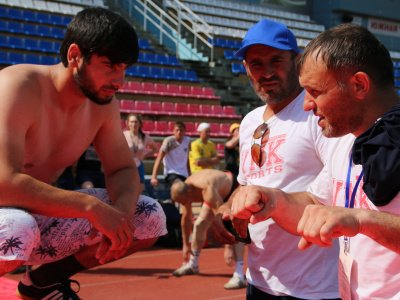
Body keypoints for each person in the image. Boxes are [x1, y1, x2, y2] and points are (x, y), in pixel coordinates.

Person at [0, 7, 166, 299]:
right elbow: (3, 183)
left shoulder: (104, 105)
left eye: (124, 68)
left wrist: (120, 219)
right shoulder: (17, 86)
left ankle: (42, 283)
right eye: (110, 65)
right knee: (16, 230)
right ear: (75, 55)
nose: (119, 80)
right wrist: (93, 208)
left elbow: (123, 170)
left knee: (148, 216)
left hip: (33, 214)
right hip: (11, 219)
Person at [230, 23, 400, 299]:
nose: (307, 105)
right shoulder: (345, 142)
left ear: (358, 85)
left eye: (315, 92)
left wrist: (361, 220)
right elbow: (315, 202)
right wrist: (270, 199)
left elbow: (354, 218)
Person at [218, 19, 341, 299]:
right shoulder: (250, 122)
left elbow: (338, 188)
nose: (267, 72)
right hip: (260, 279)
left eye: (276, 60)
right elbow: (248, 184)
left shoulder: (317, 114)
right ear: (246, 69)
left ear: (296, 62)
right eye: (256, 64)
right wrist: (229, 210)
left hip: (315, 287)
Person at [170, 169, 243, 288]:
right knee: (199, 225)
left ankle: (239, 274)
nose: (184, 204)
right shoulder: (186, 187)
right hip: (217, 193)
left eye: (184, 201)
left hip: (233, 190)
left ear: (189, 192)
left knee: (235, 227)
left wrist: (228, 246)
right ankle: (193, 264)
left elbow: (223, 219)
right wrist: (185, 245)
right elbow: (186, 218)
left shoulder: (207, 190)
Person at [222, 122, 246, 289]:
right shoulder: (230, 145)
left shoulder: (247, 147)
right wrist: (240, 134)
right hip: (232, 188)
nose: (239, 132)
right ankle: (239, 271)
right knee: (233, 223)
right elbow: (229, 144)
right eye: (236, 130)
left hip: (247, 186)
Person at [123, 113, 158, 193]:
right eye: (131, 122)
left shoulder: (144, 137)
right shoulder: (123, 135)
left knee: (140, 190)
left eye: (136, 122)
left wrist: (145, 154)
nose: (133, 124)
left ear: (139, 123)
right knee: (126, 190)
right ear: (127, 123)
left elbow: (155, 149)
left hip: (139, 166)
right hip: (126, 166)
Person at [150, 121, 191, 188]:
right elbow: (159, 158)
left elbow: (187, 159)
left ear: (184, 131)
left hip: (184, 174)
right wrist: (154, 177)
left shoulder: (187, 141)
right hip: (171, 173)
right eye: (177, 130)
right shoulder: (169, 141)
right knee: (180, 187)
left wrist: (190, 175)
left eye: (181, 130)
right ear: (173, 131)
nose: (179, 132)